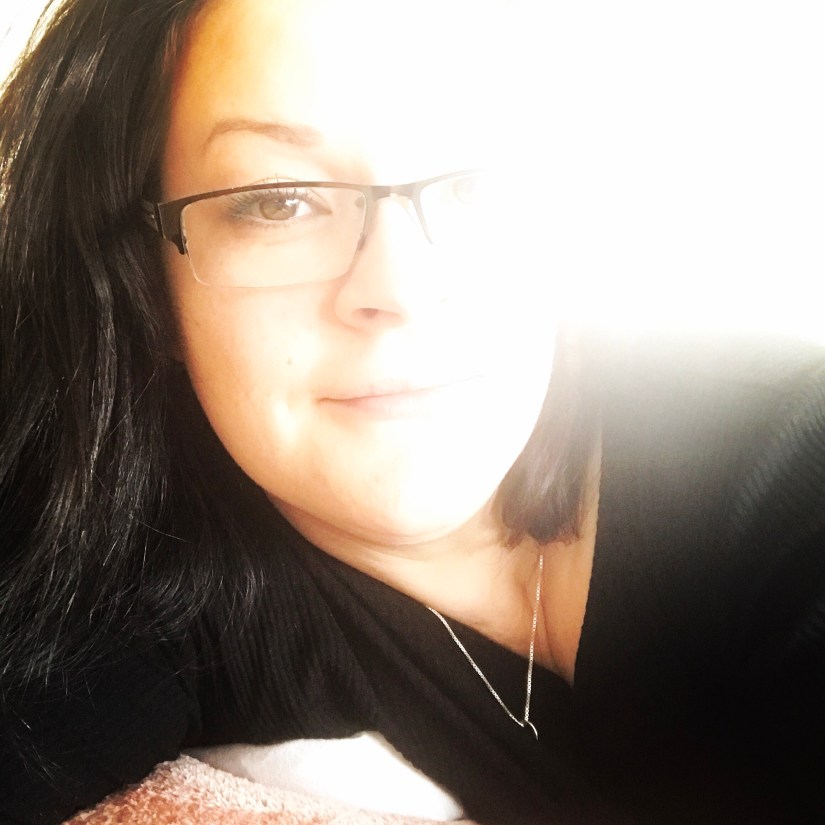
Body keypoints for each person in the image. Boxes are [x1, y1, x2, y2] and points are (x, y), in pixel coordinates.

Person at [0, 0, 823, 823]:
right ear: (143, 281)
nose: (400, 287)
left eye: (479, 184)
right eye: (279, 200)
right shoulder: (149, 566)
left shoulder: (782, 455)